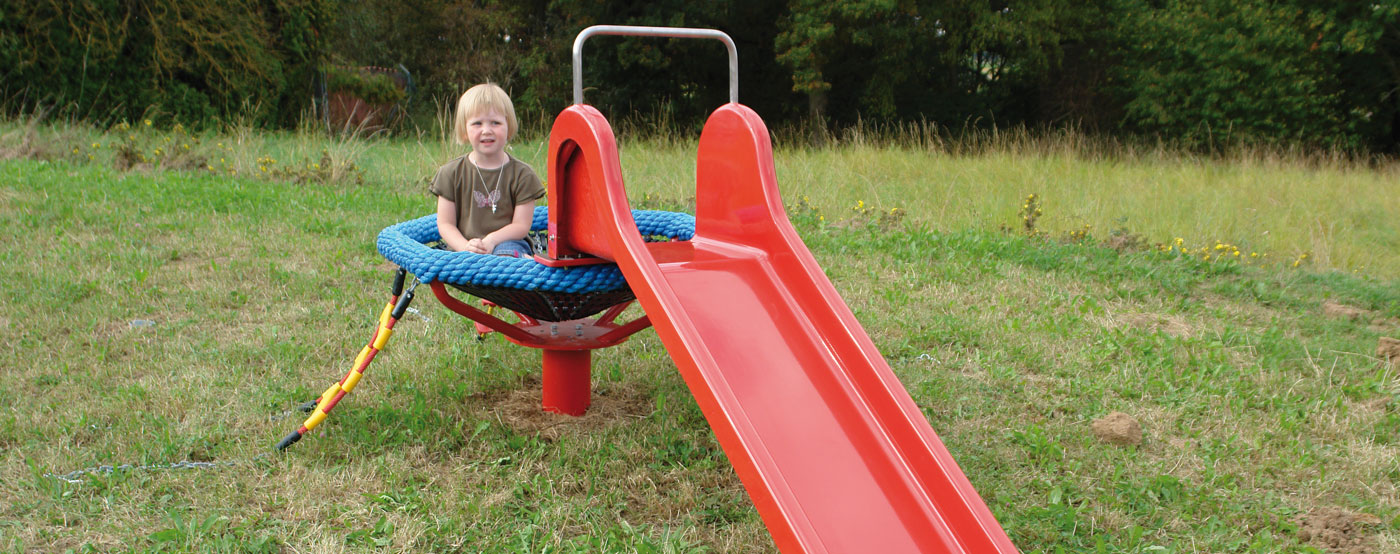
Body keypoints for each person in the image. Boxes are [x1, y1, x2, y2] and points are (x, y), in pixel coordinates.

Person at [430, 83, 545, 257]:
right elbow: (446, 224)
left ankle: (525, 265)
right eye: (477, 123)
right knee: (451, 259)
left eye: (495, 122)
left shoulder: (523, 175)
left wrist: (492, 239)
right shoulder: (450, 173)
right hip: (464, 246)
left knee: (506, 255)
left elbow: (521, 225)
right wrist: (465, 247)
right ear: (464, 130)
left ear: (509, 127)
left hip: (508, 244)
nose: (486, 130)